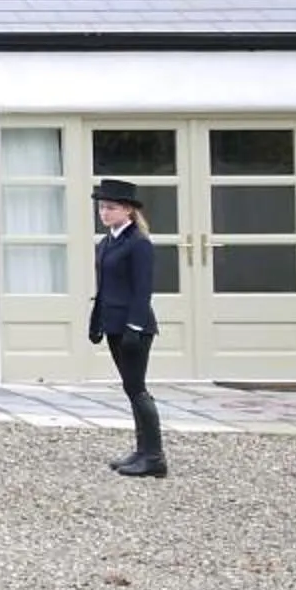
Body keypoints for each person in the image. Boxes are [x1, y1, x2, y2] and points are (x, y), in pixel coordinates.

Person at [88, 176, 166, 478]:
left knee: (137, 388)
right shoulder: (107, 242)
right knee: (130, 387)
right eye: (102, 207)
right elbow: (105, 287)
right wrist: (96, 322)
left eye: (111, 207)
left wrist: (134, 327)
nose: (104, 213)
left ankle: (155, 456)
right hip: (113, 324)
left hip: (135, 327)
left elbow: (142, 290)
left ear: (128, 210)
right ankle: (141, 450)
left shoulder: (138, 243)